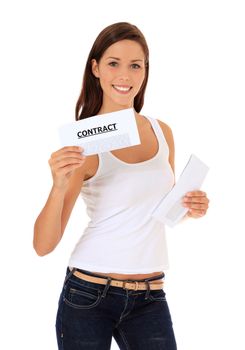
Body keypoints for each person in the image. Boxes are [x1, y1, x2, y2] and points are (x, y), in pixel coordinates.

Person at [33, 22, 209, 350]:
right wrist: (57, 186)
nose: (125, 75)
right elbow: (43, 245)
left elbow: (159, 211)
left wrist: (189, 207)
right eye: (114, 63)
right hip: (88, 295)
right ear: (96, 68)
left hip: (150, 298)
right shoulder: (83, 145)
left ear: (146, 72)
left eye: (135, 65)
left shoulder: (161, 132)